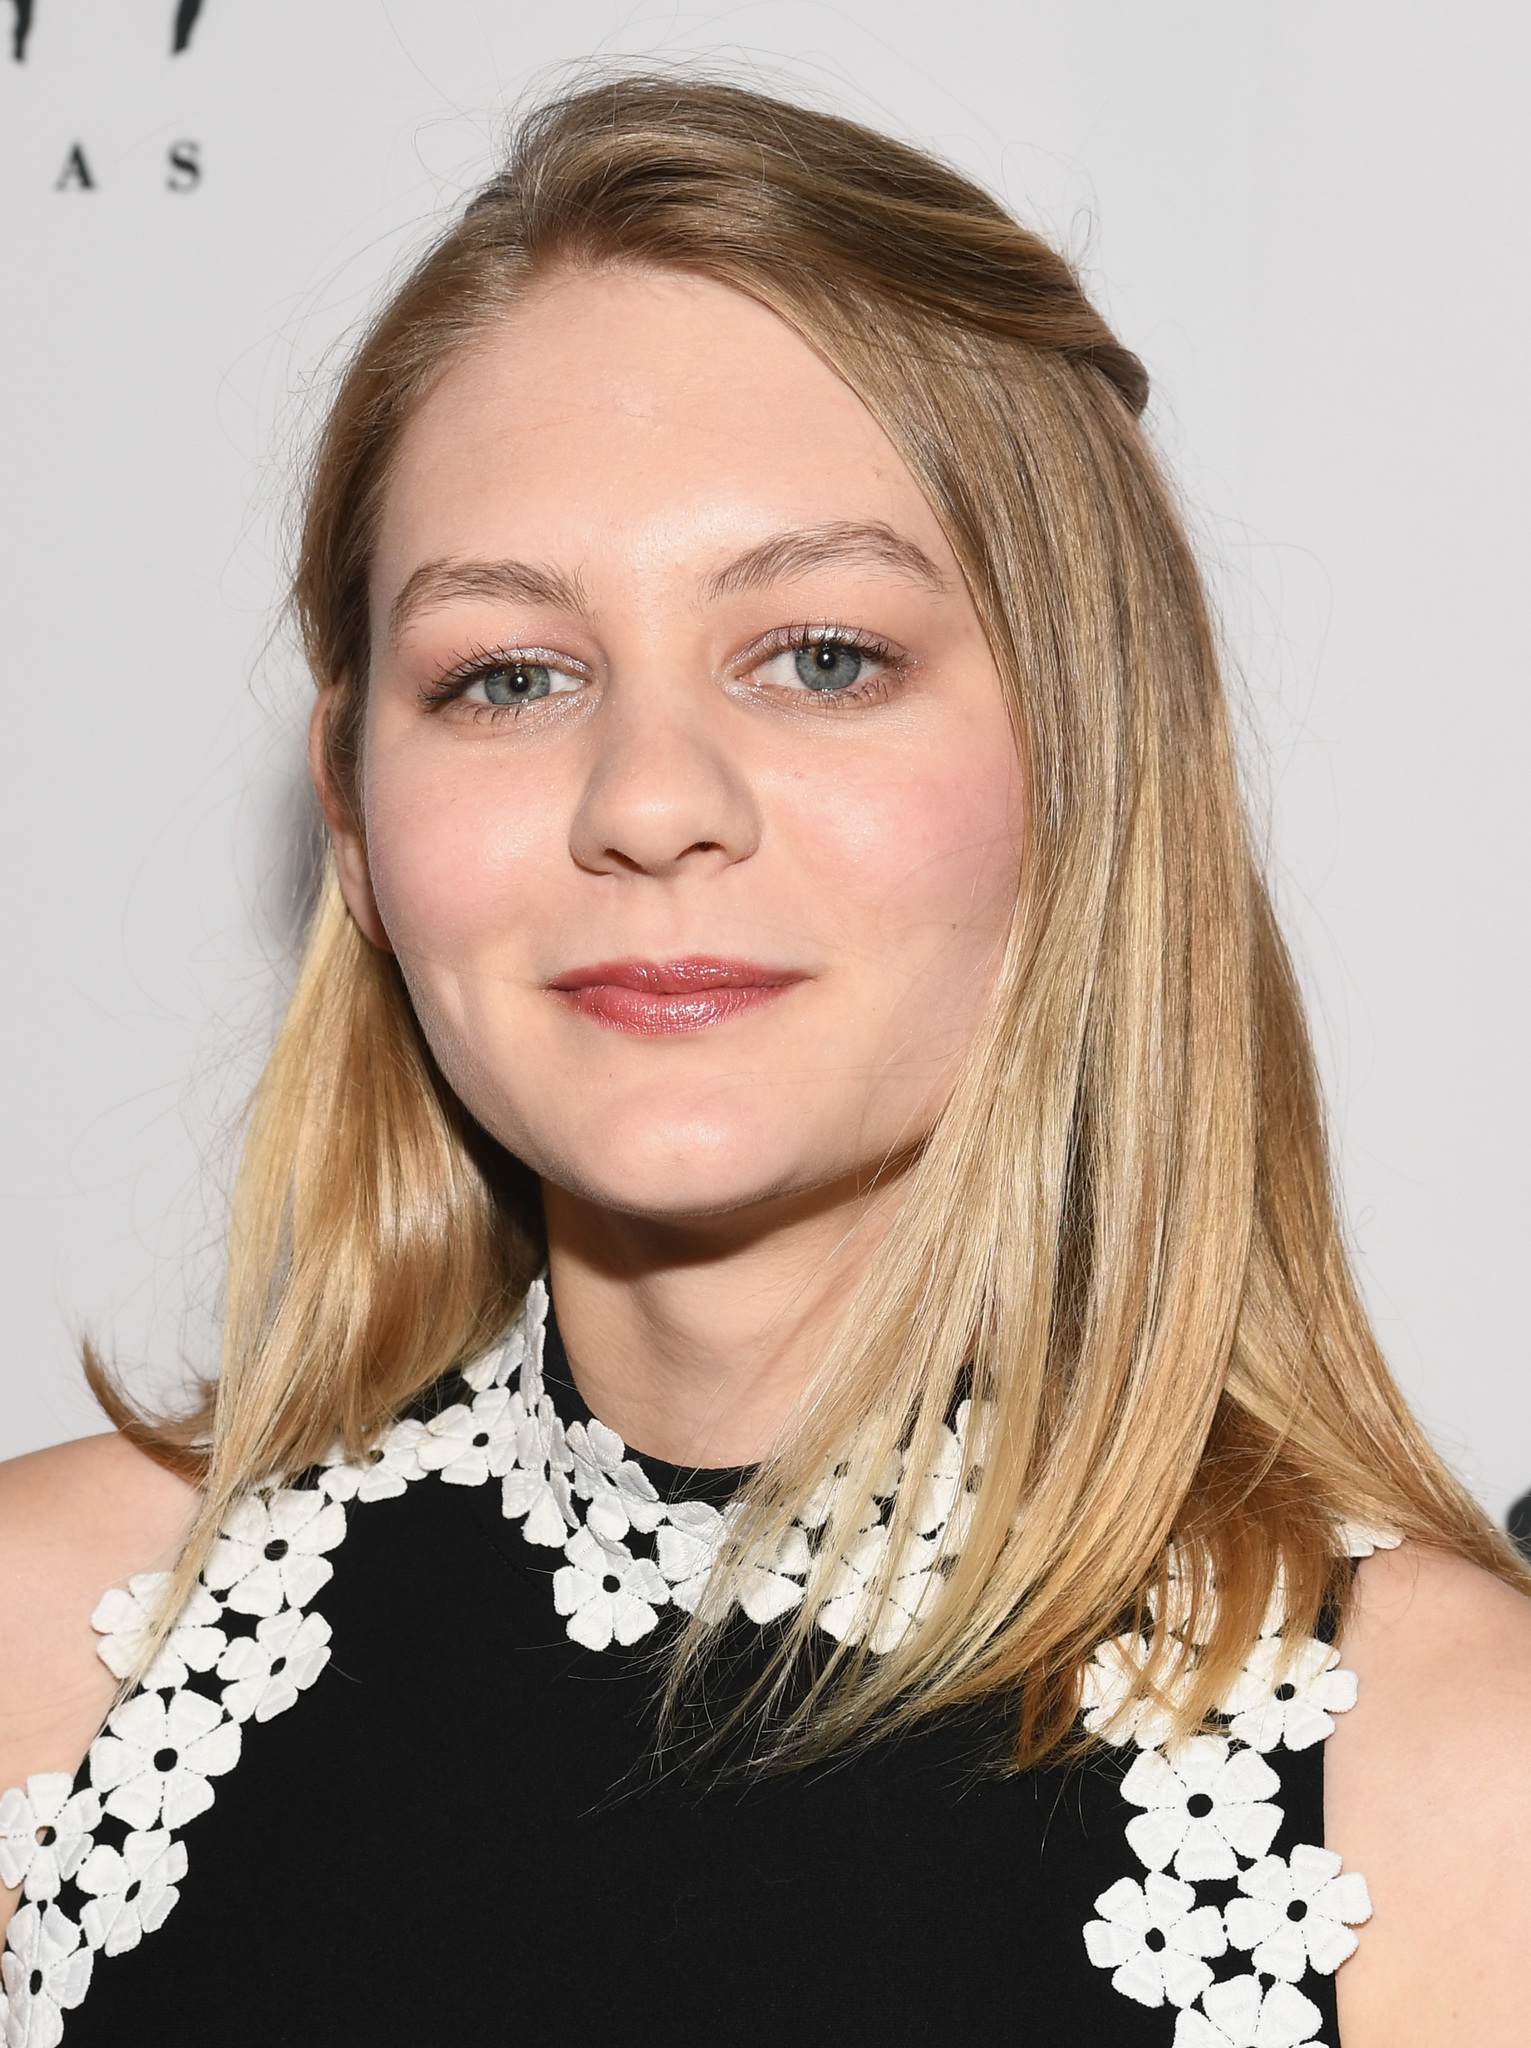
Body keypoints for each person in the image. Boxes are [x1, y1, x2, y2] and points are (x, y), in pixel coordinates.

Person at [0, 74, 1526, 2048]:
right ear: (357, 821)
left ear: (1093, 763)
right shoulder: (46, 1651)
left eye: (821, 656)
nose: (648, 801)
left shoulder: (1458, 1791)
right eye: (507, 675)